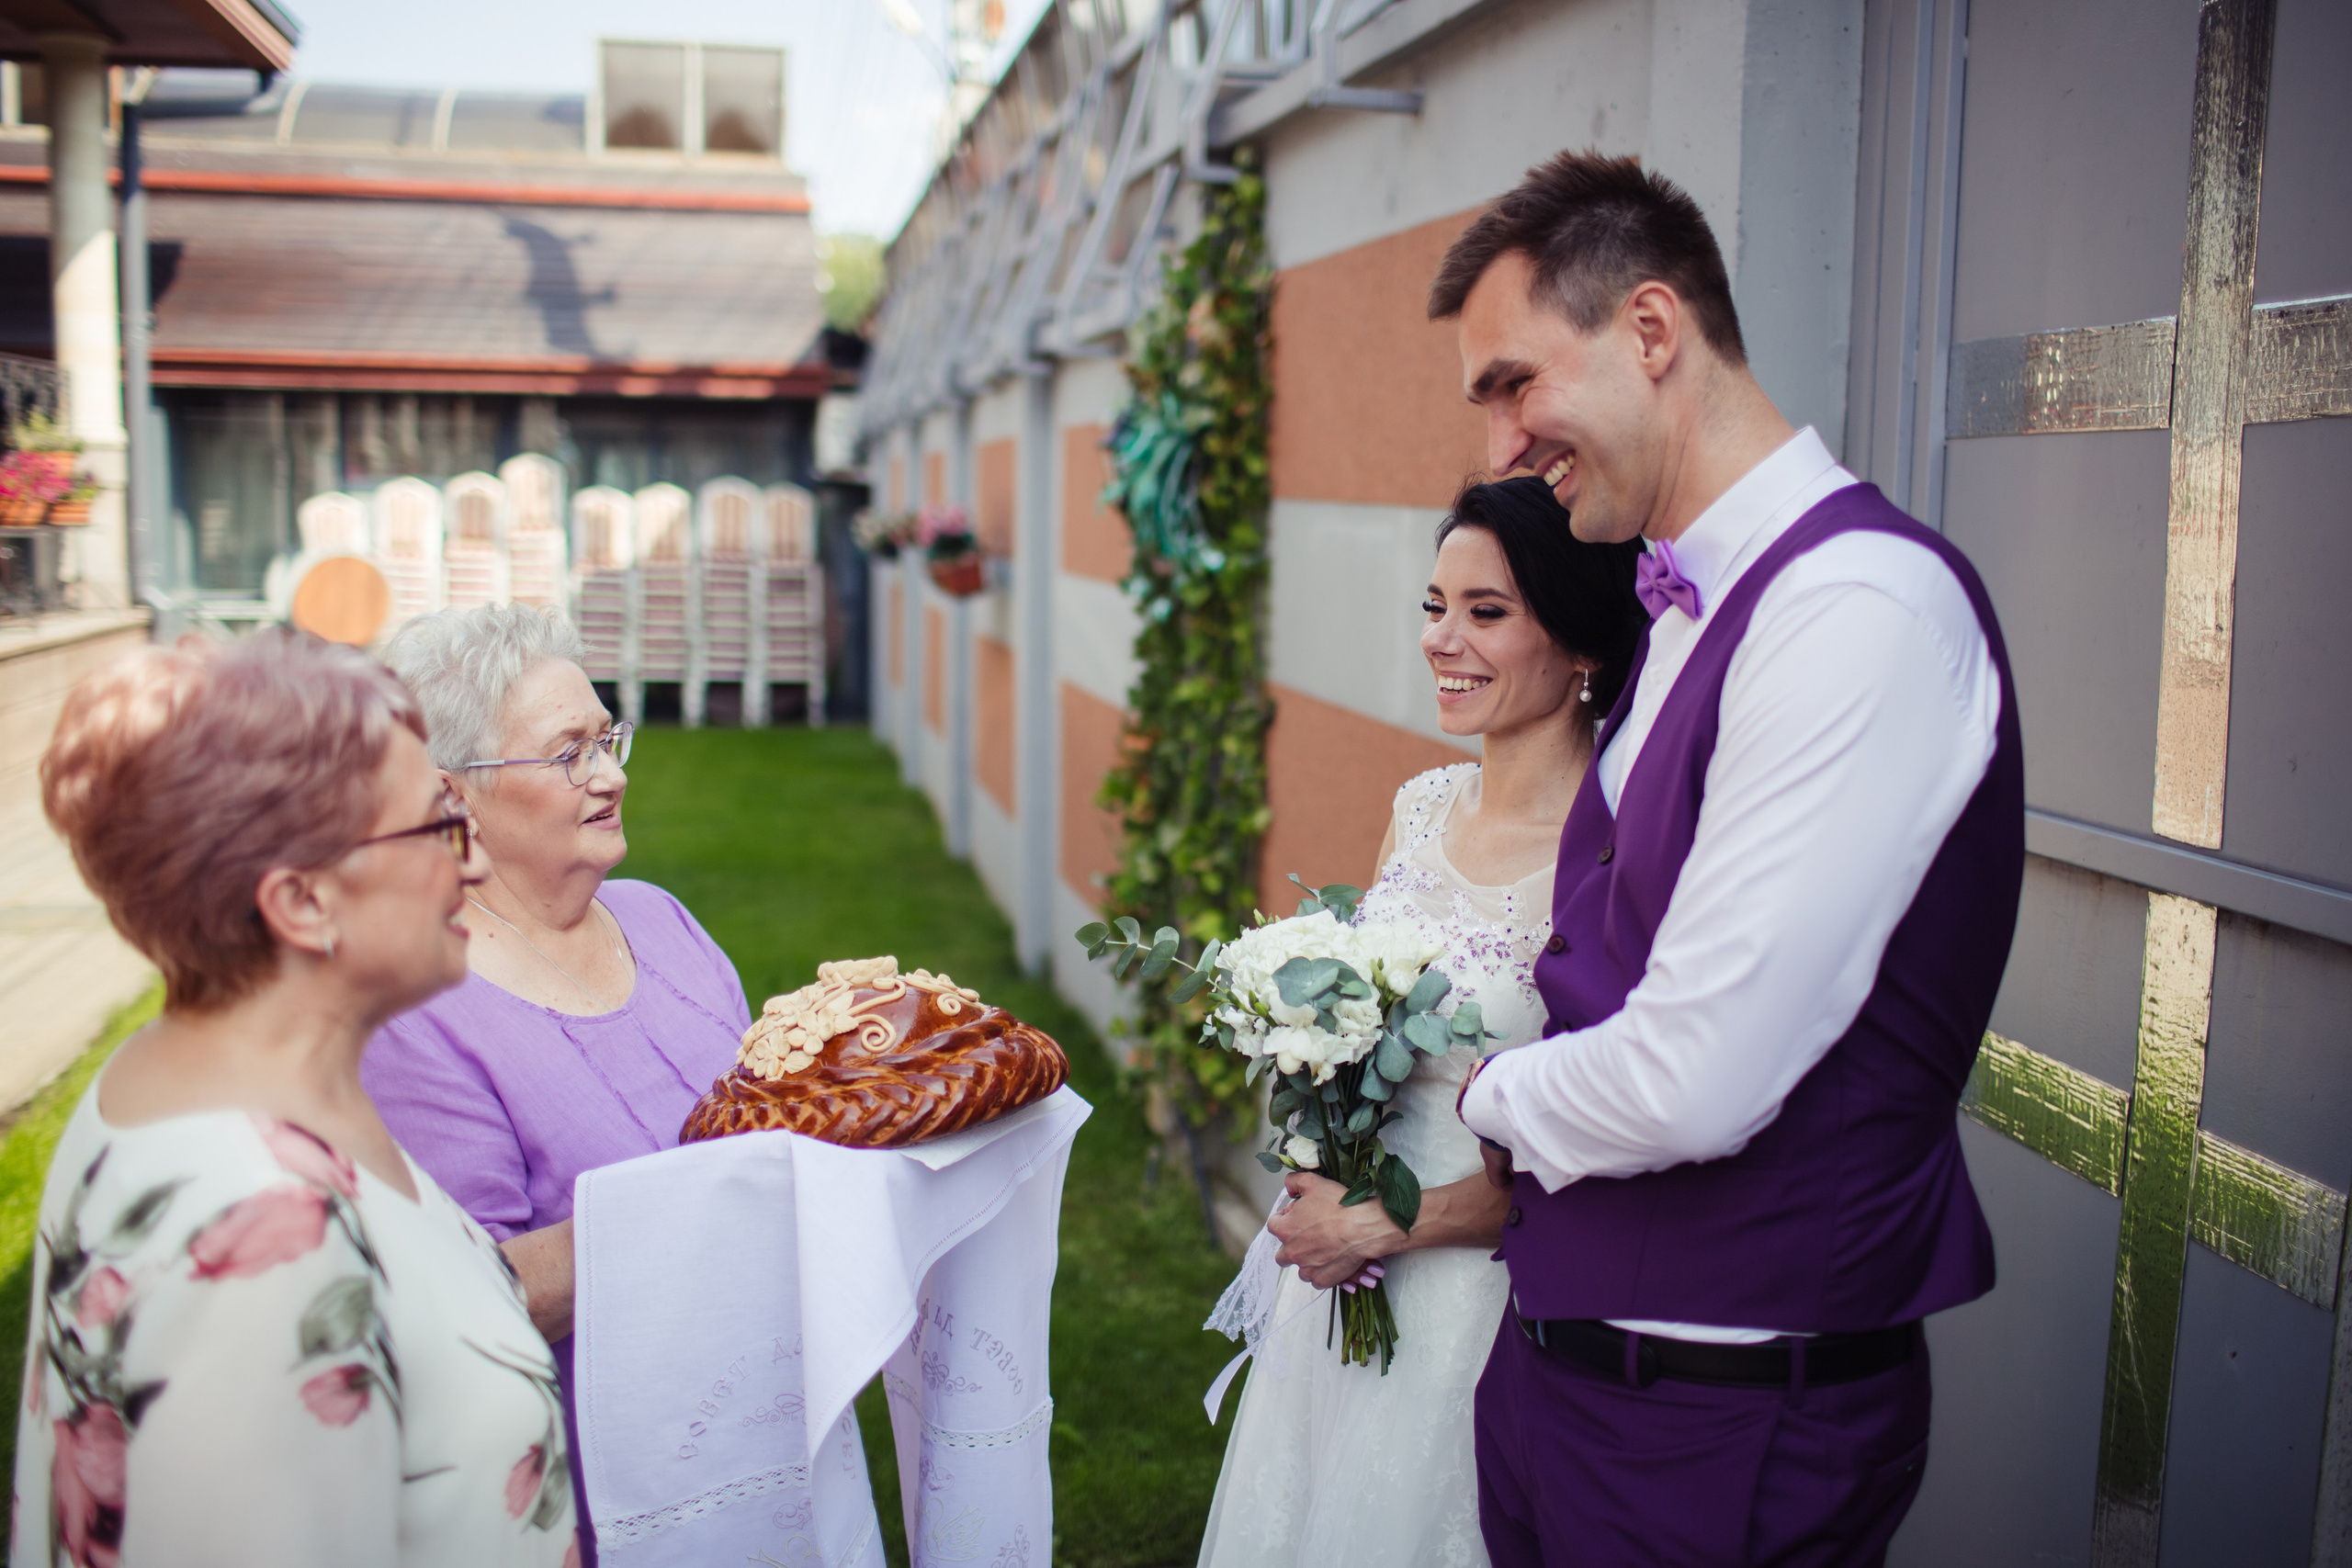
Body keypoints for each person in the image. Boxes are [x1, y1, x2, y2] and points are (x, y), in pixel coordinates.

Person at [1434, 152, 2023, 1564]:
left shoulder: (1857, 607)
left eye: (1517, 382)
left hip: (1719, 1420)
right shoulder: (1692, 605)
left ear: (1651, 328)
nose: (1504, 444)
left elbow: (1696, 1072)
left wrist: (1490, 1091)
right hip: (1568, 1376)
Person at [19, 630, 578, 1567]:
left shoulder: (170, 1073)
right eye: (438, 826)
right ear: (302, 902)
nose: (474, 864)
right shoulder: (262, 1238)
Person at [1194, 476, 1647, 1568]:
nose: (1443, 639)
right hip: (1343, 1276)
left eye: (1486, 611)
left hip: (1480, 1301)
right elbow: (1361, 1028)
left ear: (1582, 645)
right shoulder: (1421, 805)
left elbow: (1607, 1151)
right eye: (1435, 606)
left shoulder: (1613, 856)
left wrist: (1386, 1224)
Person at [358, 604, 750, 1566]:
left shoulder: (660, 919)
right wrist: (720, 1203)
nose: (611, 775)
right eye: (569, 753)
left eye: (608, 739)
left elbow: (770, 1100)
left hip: (761, 1416)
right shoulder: (417, 1009)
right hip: (598, 1482)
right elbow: (466, 1296)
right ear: (451, 796)